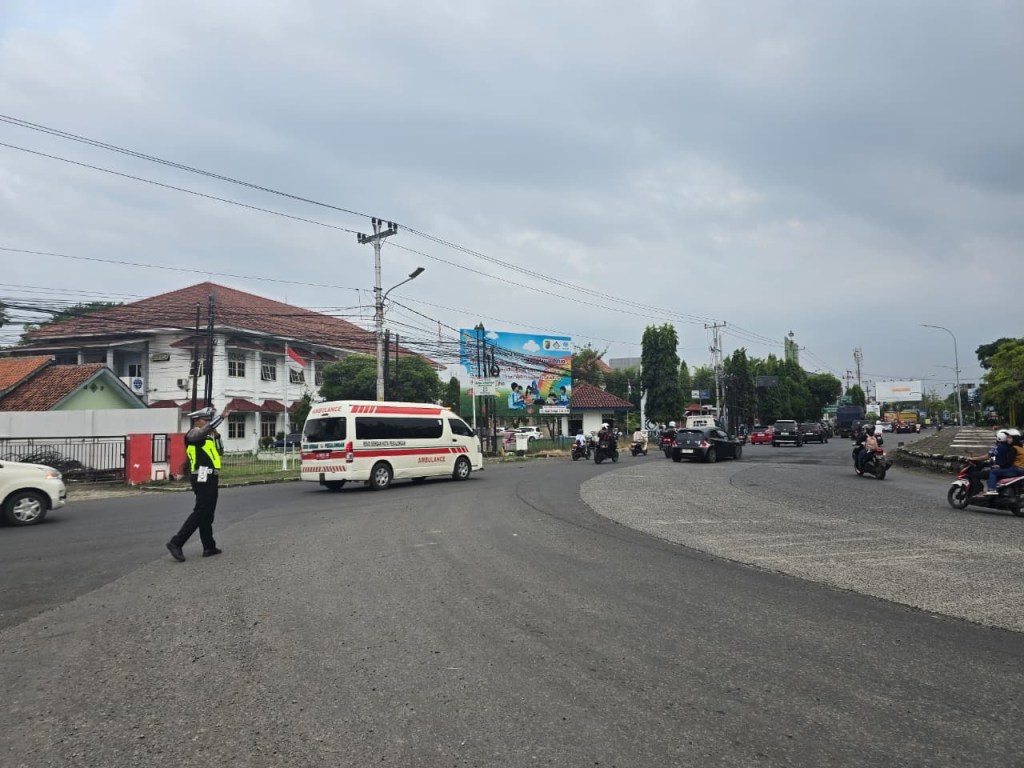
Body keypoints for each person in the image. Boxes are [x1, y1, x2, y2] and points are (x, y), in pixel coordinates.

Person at [167, 406, 225, 561]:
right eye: (205, 420)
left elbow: (220, 452)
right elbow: (200, 433)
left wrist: (217, 436)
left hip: (211, 476)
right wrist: (220, 418)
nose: (207, 423)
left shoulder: (207, 438)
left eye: (208, 420)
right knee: (201, 511)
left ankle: (209, 546)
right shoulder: (192, 434)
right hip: (201, 476)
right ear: (196, 420)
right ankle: (176, 542)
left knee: (208, 513)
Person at [984, 429, 1024, 495]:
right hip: (1020, 469)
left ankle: (992, 489)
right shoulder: (1021, 448)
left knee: (993, 472)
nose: (1008, 439)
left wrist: (1000, 466)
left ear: (1015, 438)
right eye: (1008, 437)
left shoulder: (1013, 448)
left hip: (1017, 469)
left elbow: (1009, 462)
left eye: (1010, 438)